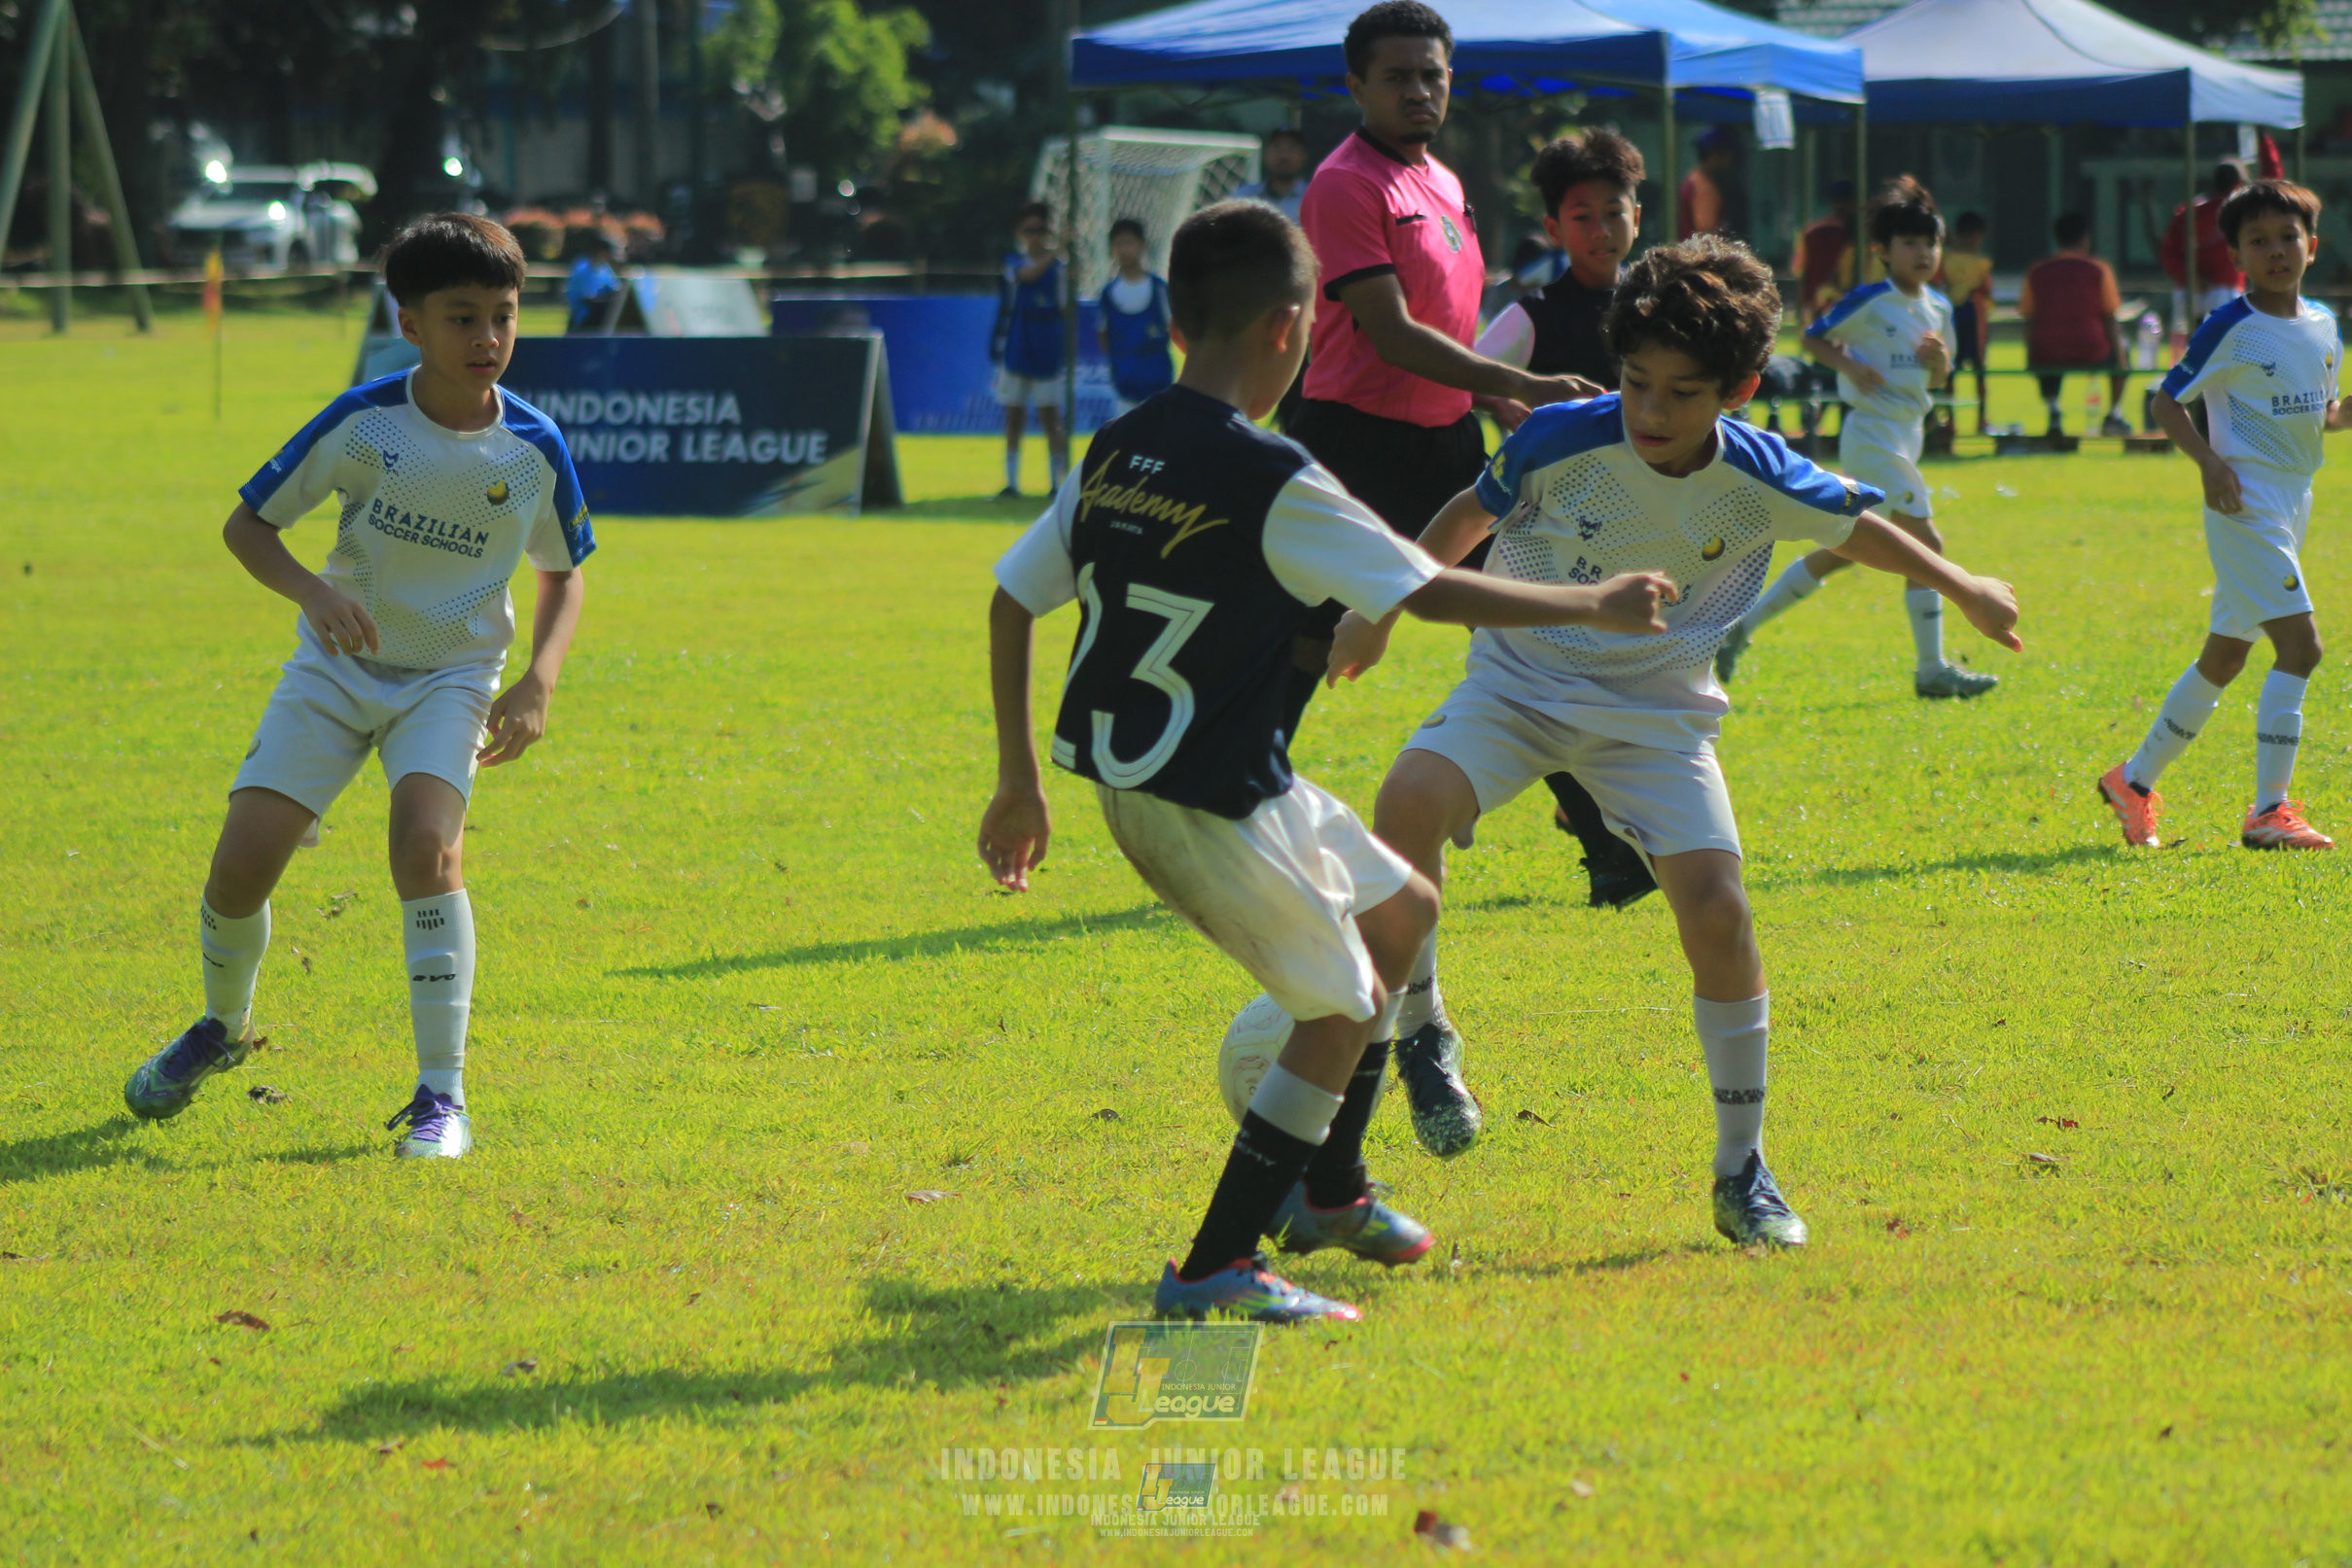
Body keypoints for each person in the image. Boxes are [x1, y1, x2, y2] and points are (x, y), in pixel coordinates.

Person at [976, 201, 1677, 1322]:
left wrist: (1018, 780)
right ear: (1292, 325)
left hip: (1193, 772)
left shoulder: (1120, 446)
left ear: (1173, 321)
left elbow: (1015, 597)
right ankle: (1212, 1262)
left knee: (1400, 904)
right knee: (1343, 1004)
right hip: (1194, 798)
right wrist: (1588, 599)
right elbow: (1422, 582)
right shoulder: (1271, 474)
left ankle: (1329, 1191)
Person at [1327, 235, 2023, 1246]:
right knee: (1405, 801)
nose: (1650, 413)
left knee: (1718, 910)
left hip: (1655, 709)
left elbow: (1853, 527)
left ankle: (1742, 1169)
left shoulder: (1757, 471)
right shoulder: (1559, 438)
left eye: (1682, 393)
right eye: (1635, 382)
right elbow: (1462, 519)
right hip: (1520, 681)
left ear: (1738, 389)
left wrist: (1965, 586)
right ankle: (1424, 1029)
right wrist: (1385, 605)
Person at [120, 214, 594, 1158]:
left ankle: (441, 1096)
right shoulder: (362, 421)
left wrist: (537, 679)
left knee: (426, 849)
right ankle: (220, 1027)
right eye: (462, 318)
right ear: (409, 322)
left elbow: (565, 569)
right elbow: (247, 525)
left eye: (503, 316)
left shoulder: (533, 447)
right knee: (239, 869)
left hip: (451, 678)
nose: (488, 339)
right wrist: (314, 592)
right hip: (333, 674)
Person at [1290, 2, 1597, 1153]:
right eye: (1400, 76)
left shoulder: (1445, 179)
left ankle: (1594, 822)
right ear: (1359, 86)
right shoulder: (1344, 183)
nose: (1422, 90)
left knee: (1514, 627)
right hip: (1350, 441)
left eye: (1435, 73)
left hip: (1436, 442)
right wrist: (1520, 382)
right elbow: (1390, 336)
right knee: (1298, 650)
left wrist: (1500, 402)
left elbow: (1449, 330)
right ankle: (1240, 801)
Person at [2098, 179, 2345, 854]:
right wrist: (2209, 463)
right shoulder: (2228, 326)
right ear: (2236, 255)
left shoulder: (2324, 324)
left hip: (2295, 498)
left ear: (2311, 246)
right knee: (2301, 648)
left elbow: (2321, 413)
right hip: (2245, 501)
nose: (2274, 250)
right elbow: (2164, 401)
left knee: (2226, 654)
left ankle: (2132, 779)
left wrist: (2344, 410)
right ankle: (2269, 810)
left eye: (2286, 237)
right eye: (2257, 240)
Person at [1475, 126, 1660, 910]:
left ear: (1636, 218)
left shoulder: (1660, 306)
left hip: (1647, 526)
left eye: (1612, 212)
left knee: (1628, 681)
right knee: (1542, 678)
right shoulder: (1533, 314)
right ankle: (1606, 848)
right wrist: (1518, 413)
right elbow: (1475, 376)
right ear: (1553, 229)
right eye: (1580, 216)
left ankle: (1599, 810)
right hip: (1547, 535)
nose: (1599, 229)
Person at [1721, 177, 1994, 700]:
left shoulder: (1938, 307)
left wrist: (1938, 366)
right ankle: (1932, 670)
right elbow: (1813, 337)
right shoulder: (1870, 300)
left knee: (1843, 549)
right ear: (1883, 251)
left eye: (1930, 243)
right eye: (1910, 243)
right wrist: (1850, 364)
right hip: (1872, 435)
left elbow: (1939, 376)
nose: (1923, 253)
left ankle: (1741, 628)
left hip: (1907, 435)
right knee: (1926, 543)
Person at [2019, 212, 2131, 438]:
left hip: (2048, 351)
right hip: (2091, 349)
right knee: (2125, 348)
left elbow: (2029, 317)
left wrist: (2031, 354)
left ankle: (2053, 411)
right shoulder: (2099, 269)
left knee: (2046, 345)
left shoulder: (2037, 271)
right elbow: (2110, 316)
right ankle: (2113, 415)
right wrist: (2119, 355)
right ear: (2084, 239)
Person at [991, 200, 1070, 500]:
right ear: (1020, 233)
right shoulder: (1013, 262)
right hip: (1017, 348)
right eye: (1029, 230)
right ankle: (1011, 482)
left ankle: (1057, 483)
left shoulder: (1059, 269)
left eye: (1040, 230)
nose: (1035, 236)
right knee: (1014, 416)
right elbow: (1028, 276)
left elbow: (1064, 307)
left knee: (1051, 418)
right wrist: (1059, 249)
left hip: (1047, 350)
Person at [1097, 218, 1175, 415]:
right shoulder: (1108, 293)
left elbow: (1173, 328)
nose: (1124, 250)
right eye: (1118, 244)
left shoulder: (1159, 289)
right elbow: (1103, 334)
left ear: (1143, 246)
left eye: (1129, 242)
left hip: (1159, 386)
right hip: (1126, 389)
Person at [2161, 162, 2246, 334]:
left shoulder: (2189, 212)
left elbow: (2168, 252)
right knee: (2225, 348)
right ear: (2238, 185)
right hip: (2225, 289)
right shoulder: (2241, 211)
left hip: (2190, 289)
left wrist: (2189, 277)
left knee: (2189, 348)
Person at [1940, 212, 1995, 435]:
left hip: (1953, 316)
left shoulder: (1946, 260)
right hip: (1973, 317)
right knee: (1978, 370)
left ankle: (1950, 420)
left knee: (1951, 371)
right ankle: (1981, 419)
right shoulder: (1982, 263)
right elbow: (1987, 291)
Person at [1796, 181, 1858, 326]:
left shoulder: (1810, 232)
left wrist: (1801, 311)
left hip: (1816, 305)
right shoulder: (1855, 235)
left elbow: (1801, 272)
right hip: (1847, 303)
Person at [1235, 127, 1311, 224]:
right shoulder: (1243, 198)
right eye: (1276, 147)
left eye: (1292, 148)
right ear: (1264, 154)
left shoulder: (1313, 200)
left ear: (1304, 155)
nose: (1284, 155)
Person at [1677, 126, 1738, 241]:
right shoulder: (1701, 185)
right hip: (1700, 255)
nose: (1730, 160)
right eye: (1727, 154)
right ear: (1714, 156)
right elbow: (1705, 231)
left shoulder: (1695, 180)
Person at [564, 232, 620, 332]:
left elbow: (615, 288)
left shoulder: (604, 268)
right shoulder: (582, 267)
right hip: (582, 319)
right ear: (601, 252)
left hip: (600, 318)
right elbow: (587, 297)